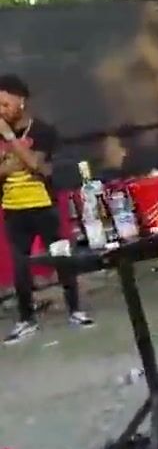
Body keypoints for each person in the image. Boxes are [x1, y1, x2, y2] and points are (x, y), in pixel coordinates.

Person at [0, 74, 94, 345]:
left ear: (21, 101)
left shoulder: (41, 131)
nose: (2, 111)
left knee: (61, 257)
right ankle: (26, 319)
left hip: (44, 204)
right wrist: (18, 160)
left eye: (5, 104)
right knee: (21, 266)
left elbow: (36, 165)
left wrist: (11, 141)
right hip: (13, 207)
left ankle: (75, 310)